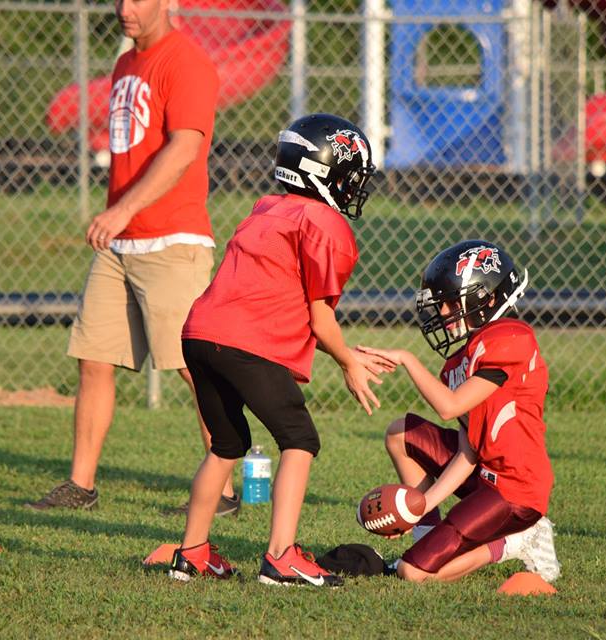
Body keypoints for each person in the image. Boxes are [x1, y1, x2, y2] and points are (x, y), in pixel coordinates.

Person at [26, 0, 240, 515]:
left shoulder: (186, 61)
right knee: (94, 359)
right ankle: (81, 485)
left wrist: (121, 210)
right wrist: (121, 219)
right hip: (121, 245)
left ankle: (225, 491)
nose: (126, 8)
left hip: (171, 242)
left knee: (195, 367)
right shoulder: (126, 63)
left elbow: (184, 147)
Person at [167, 113, 393, 587]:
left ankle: (191, 554)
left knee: (227, 446)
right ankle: (281, 556)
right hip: (246, 344)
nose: (354, 188)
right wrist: (350, 361)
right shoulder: (324, 223)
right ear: (323, 172)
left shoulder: (269, 206)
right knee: (300, 440)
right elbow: (320, 319)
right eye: (350, 177)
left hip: (198, 334)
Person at [357, 240, 561, 583]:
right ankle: (426, 537)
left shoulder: (511, 337)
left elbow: (449, 408)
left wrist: (408, 359)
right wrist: (416, 507)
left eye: (452, 303)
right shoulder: (460, 360)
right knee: (400, 432)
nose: (444, 313)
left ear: (488, 298)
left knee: (412, 572)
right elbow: (468, 451)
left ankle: (517, 541)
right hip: (482, 473)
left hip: (514, 491)